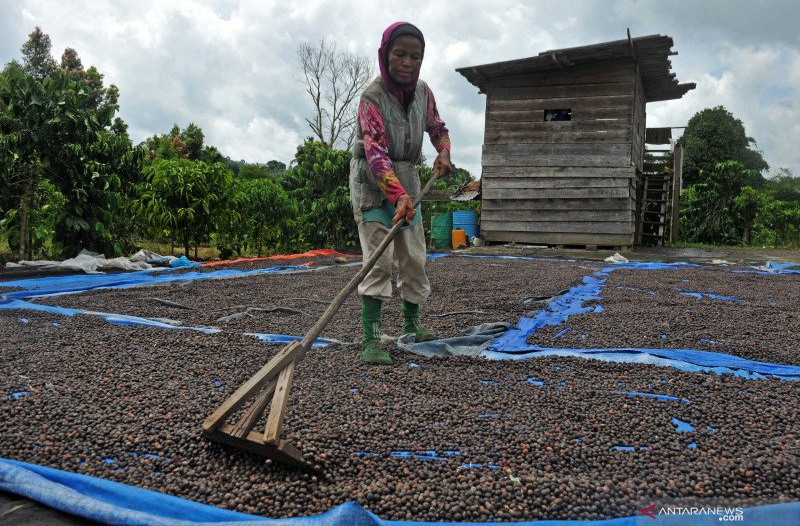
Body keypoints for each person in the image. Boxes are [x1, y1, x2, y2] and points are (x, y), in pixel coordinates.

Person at [349, 21, 452, 365]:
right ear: (385, 55)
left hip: (408, 179)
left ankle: (412, 324)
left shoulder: (423, 92)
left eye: (416, 57)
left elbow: (437, 127)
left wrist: (444, 151)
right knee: (378, 262)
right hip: (374, 185)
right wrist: (397, 196)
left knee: (414, 257)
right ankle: (372, 340)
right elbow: (375, 152)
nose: (408, 62)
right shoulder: (371, 97)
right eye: (400, 54)